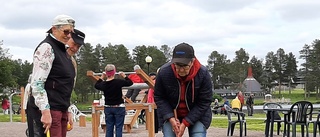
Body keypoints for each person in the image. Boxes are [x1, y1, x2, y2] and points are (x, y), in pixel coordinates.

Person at [28, 14, 77, 137]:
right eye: (66, 31)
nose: (69, 35)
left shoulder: (63, 51)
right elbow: (37, 83)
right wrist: (45, 111)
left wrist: (68, 109)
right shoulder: (47, 48)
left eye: (71, 32)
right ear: (54, 29)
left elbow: (65, 85)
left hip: (61, 107)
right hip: (50, 109)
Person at [154, 42, 213, 137]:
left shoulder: (203, 74)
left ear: (192, 61)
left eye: (185, 66)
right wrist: (170, 117)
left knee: (198, 134)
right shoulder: (164, 72)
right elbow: (159, 97)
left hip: (197, 114)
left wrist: (186, 122)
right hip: (171, 113)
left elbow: (204, 101)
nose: (181, 70)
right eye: (178, 65)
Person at [94, 64, 133, 137]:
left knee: (109, 128)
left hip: (108, 107)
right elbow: (130, 82)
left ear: (106, 73)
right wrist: (124, 76)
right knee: (118, 128)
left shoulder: (104, 84)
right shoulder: (118, 82)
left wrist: (101, 77)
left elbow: (96, 85)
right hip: (119, 107)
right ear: (114, 72)